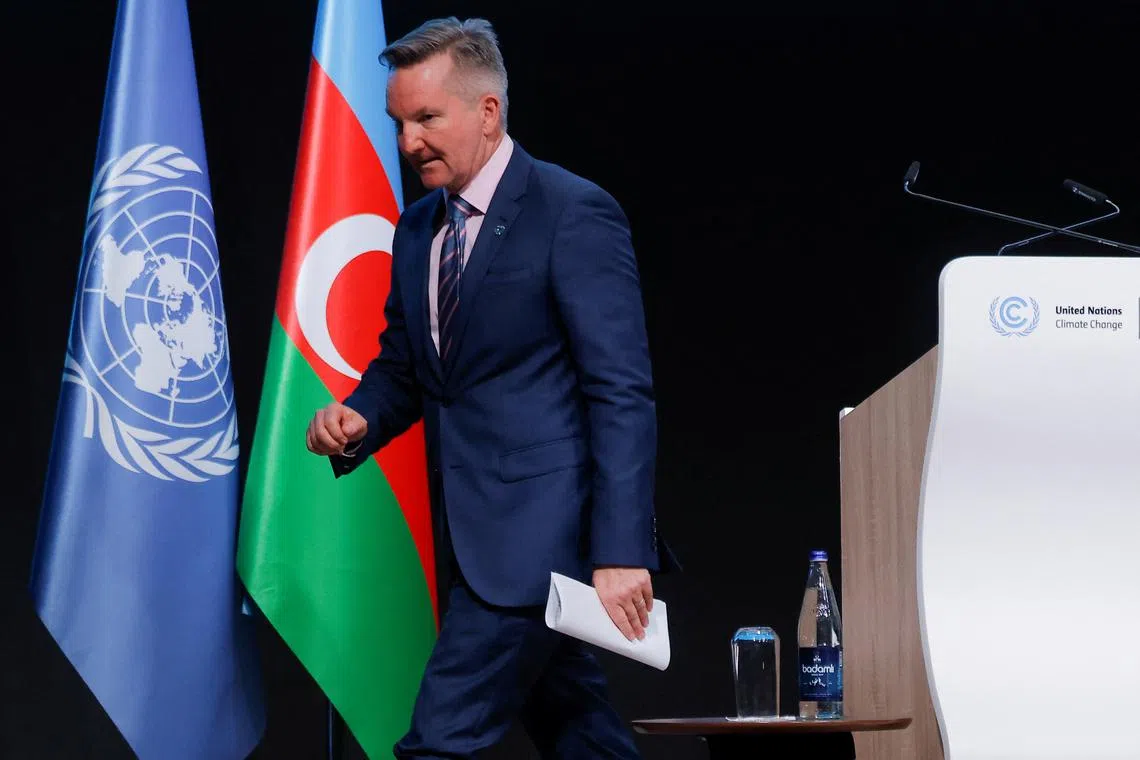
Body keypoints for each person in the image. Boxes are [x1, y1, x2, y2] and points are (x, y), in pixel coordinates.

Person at [304, 16, 676, 759]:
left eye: (426, 118)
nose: (408, 142)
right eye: (400, 122)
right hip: (475, 539)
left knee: (438, 745)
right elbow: (409, 368)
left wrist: (622, 548)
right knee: (584, 736)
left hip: (541, 542)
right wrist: (357, 419)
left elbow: (621, 390)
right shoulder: (416, 232)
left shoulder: (571, 212)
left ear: (488, 111)